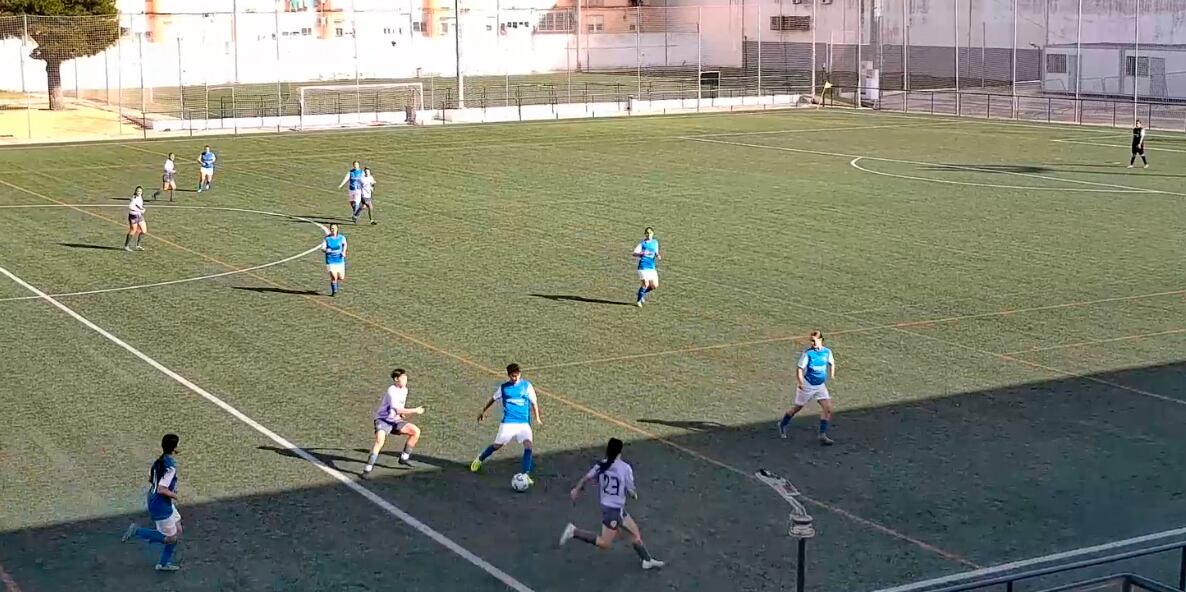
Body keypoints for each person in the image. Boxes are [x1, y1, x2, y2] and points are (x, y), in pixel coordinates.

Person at [559, 437, 665, 570]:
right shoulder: (625, 468)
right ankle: (574, 532)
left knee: (634, 533)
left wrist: (576, 489)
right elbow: (631, 490)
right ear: (620, 451)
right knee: (605, 543)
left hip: (613, 509)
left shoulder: (601, 465)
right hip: (613, 511)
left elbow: (587, 478)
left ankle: (646, 560)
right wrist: (634, 494)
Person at [470, 363, 542, 485]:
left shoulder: (527, 386)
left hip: (523, 423)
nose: (515, 378)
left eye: (517, 375)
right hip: (508, 423)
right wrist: (483, 411)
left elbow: (534, 402)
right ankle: (480, 458)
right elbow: (493, 399)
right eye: (513, 376)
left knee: (528, 446)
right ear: (509, 375)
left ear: (520, 373)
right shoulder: (504, 388)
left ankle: (526, 474)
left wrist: (537, 418)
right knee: (497, 445)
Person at [121, 433, 183, 572]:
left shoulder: (158, 462)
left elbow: (151, 479)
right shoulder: (170, 467)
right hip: (160, 505)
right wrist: (175, 495)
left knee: (178, 529)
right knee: (171, 538)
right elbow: (161, 489)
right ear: (174, 448)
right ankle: (138, 531)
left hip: (159, 501)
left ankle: (163, 563)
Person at [363, 368, 425, 478]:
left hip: (395, 421)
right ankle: (368, 468)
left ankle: (404, 458)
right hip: (383, 420)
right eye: (403, 378)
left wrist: (402, 415)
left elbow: (400, 408)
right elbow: (397, 409)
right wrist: (415, 410)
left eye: (406, 378)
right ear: (396, 379)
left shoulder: (405, 390)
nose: (405, 380)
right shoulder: (391, 391)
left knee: (415, 431)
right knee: (379, 442)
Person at [778, 330, 836, 445]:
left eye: (814, 341)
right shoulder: (808, 354)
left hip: (820, 386)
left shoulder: (827, 352)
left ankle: (822, 434)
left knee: (828, 408)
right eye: (811, 341)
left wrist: (832, 374)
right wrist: (800, 382)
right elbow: (799, 368)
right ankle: (782, 424)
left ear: (821, 340)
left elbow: (832, 362)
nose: (812, 343)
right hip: (808, 385)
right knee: (797, 408)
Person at [632, 227, 660, 307]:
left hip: (651, 267)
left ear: (653, 233)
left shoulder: (655, 242)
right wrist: (641, 254)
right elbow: (634, 253)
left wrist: (658, 255)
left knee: (655, 285)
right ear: (645, 234)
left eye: (650, 233)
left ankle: (642, 293)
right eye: (647, 233)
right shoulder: (642, 244)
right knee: (645, 284)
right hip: (643, 267)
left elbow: (656, 252)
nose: (648, 234)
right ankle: (638, 301)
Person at [322, 224, 347, 296]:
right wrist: (326, 250)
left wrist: (343, 252)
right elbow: (323, 248)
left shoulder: (341, 237)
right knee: (334, 276)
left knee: (341, 277)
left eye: (334, 228)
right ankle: (334, 291)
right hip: (330, 260)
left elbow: (345, 244)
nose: (333, 230)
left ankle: (335, 282)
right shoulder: (327, 238)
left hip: (339, 259)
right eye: (332, 228)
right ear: (330, 229)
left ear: (337, 229)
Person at [124, 186, 147, 251]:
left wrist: (142, 208)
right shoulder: (134, 198)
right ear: (135, 191)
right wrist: (139, 210)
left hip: (139, 215)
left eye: (140, 191)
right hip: (133, 216)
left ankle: (138, 245)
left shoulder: (140, 197)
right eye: (138, 191)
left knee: (144, 231)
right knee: (133, 230)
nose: (139, 192)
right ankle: (126, 246)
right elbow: (130, 206)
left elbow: (138, 205)